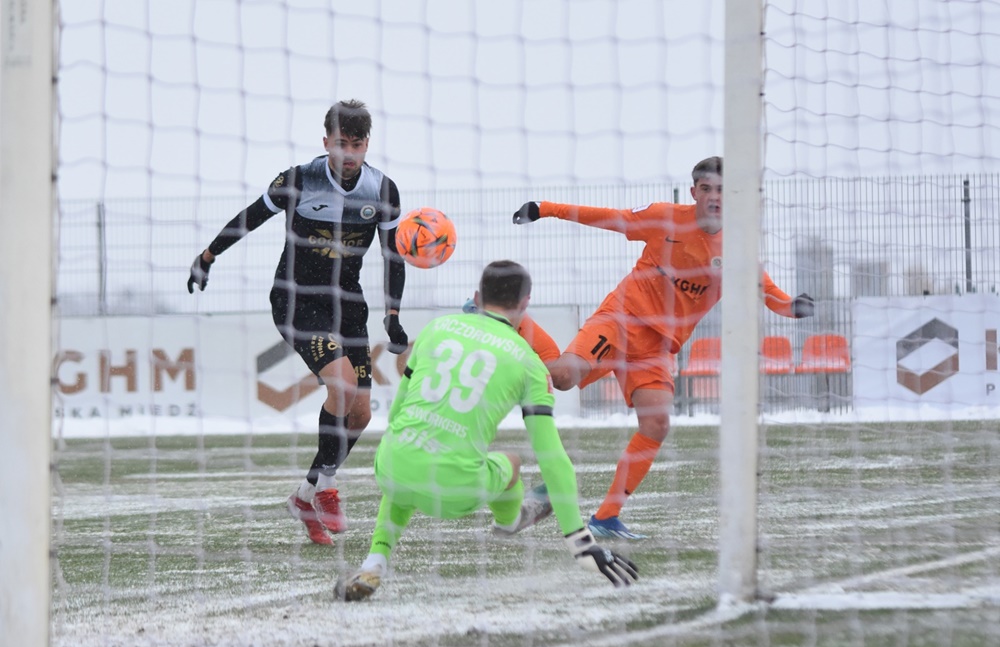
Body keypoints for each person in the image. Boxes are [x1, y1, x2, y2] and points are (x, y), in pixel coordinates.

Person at [511, 156, 815, 539]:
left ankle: (605, 518)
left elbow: (769, 294)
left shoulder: (737, 249)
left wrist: (794, 307)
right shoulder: (665, 218)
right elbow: (610, 217)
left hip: (657, 348)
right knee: (564, 377)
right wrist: (545, 208)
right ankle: (515, 318)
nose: (714, 196)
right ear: (694, 192)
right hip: (622, 320)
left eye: (722, 190)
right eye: (706, 188)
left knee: (656, 424)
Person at [336, 260, 638, 601]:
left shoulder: (436, 329)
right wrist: (581, 544)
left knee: (407, 449)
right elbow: (552, 457)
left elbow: (396, 415)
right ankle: (511, 520)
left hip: (390, 470)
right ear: (524, 304)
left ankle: (374, 562)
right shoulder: (530, 363)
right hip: (456, 491)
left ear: (477, 297)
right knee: (511, 461)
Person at [187, 99, 409, 546]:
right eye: (341, 143)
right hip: (296, 299)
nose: (349, 153)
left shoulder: (383, 191)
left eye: (357, 144)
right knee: (342, 385)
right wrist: (208, 256)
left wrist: (393, 315)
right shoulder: (299, 179)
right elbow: (251, 217)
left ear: (367, 145)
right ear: (326, 142)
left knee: (361, 413)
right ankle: (326, 488)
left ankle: (304, 497)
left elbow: (393, 255)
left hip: (348, 305)